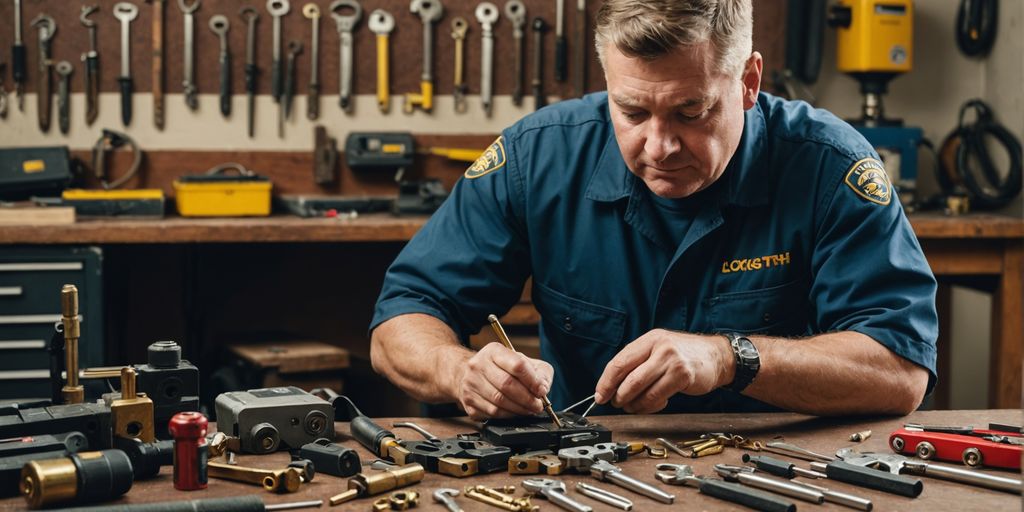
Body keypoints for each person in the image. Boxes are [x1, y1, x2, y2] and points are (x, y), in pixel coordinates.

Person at [369, 0, 937, 420]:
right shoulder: (536, 158)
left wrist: (730, 357)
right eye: (633, 111)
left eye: (691, 112)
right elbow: (404, 316)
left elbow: (898, 369)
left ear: (747, 81)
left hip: (771, 474)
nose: (659, 146)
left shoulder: (829, 167)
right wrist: (461, 371)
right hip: (578, 470)